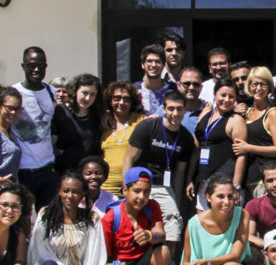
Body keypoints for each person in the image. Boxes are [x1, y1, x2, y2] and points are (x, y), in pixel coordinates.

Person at [123, 90, 195, 246]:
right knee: (135, 227)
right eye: (171, 109)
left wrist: (176, 200)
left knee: (173, 227)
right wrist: (127, 187)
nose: (175, 113)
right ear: (163, 109)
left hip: (164, 187)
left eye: (179, 109)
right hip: (140, 184)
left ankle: (168, 260)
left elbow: (180, 173)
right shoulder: (147, 126)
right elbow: (129, 158)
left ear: (185, 110)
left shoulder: (186, 138)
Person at [181, 175, 250, 265]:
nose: (226, 202)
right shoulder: (194, 223)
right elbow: (186, 261)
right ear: (208, 197)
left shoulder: (242, 215)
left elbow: (236, 255)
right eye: (220, 196)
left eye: (230, 196)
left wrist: (206, 262)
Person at [11, 47, 58, 211]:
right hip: (23, 170)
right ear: (23, 66)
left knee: (48, 218)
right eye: (31, 65)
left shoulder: (51, 92)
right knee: (22, 217)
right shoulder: (13, 93)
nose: (36, 70)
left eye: (41, 65)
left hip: (47, 169)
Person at [193, 78, 247, 211]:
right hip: (203, 179)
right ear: (214, 94)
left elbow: (241, 155)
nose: (226, 100)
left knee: (224, 221)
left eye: (231, 96)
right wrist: (190, 177)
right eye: (223, 95)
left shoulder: (236, 120)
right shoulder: (206, 113)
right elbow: (196, 146)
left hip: (224, 182)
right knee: (202, 219)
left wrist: (235, 186)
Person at [233, 67, 276, 200]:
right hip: (248, 179)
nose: (258, 88)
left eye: (263, 84)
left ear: (269, 87)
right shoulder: (247, 113)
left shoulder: (273, 113)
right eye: (254, 84)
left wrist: (248, 148)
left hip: (266, 181)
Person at [99, 81, 145, 196]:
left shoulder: (140, 121)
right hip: (106, 187)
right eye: (117, 98)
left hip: (132, 186)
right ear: (110, 100)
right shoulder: (104, 123)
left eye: (126, 99)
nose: (121, 102)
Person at [52, 73, 103, 174]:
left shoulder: (97, 115)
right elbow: (51, 143)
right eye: (84, 93)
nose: (87, 98)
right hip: (65, 173)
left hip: (88, 174)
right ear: (75, 91)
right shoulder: (60, 113)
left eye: (93, 94)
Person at [134, 44, 175, 115]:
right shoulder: (135, 90)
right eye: (149, 61)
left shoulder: (173, 89)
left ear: (164, 65)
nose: (153, 65)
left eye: (157, 61)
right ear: (143, 65)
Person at [178, 66, 209, 136]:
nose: (191, 87)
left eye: (196, 84)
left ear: (201, 87)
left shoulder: (209, 112)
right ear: (179, 86)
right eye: (187, 83)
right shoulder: (167, 109)